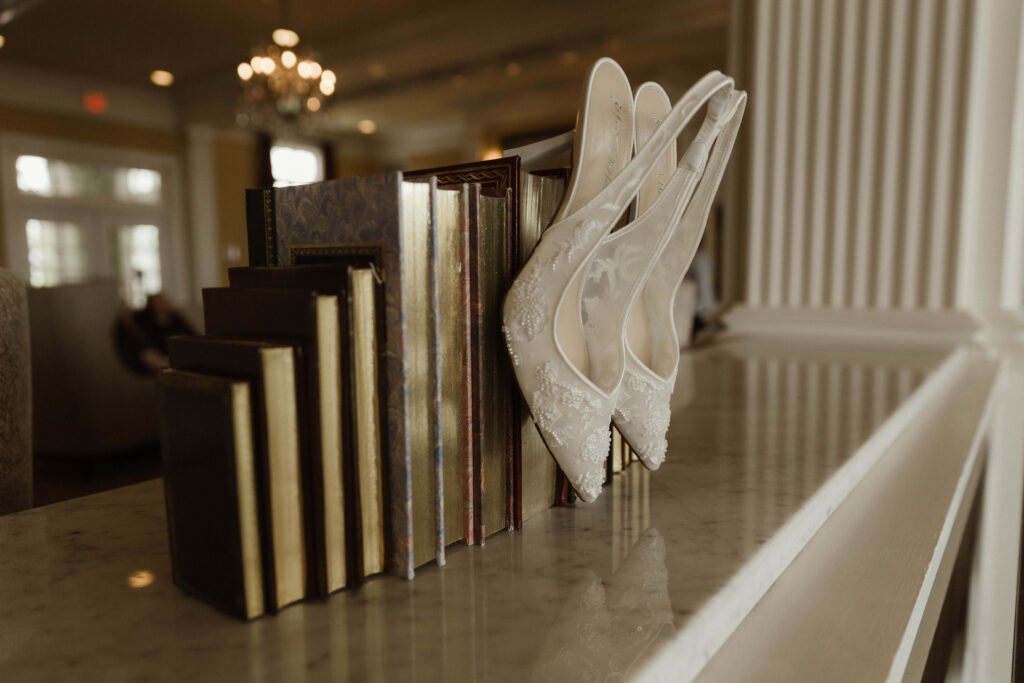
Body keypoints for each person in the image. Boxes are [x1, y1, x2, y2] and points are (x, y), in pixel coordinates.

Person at [115, 292, 194, 375]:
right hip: (161, 365)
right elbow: (149, 356)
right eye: (158, 301)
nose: (162, 303)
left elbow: (193, 336)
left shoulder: (177, 319)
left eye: (164, 300)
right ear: (151, 305)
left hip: (182, 359)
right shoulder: (143, 323)